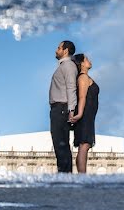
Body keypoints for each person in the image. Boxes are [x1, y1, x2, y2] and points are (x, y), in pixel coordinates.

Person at [48, 40, 77, 173]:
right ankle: (64, 175)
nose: (56, 50)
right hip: (58, 109)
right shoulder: (63, 66)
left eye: (58, 47)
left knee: (61, 145)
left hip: (61, 109)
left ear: (65, 50)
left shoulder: (68, 66)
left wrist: (71, 110)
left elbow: (71, 87)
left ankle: (65, 177)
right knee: (59, 144)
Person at [69, 53, 99, 174]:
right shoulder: (83, 78)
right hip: (85, 115)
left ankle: (81, 175)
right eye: (86, 59)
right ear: (81, 63)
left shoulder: (84, 77)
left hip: (88, 116)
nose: (89, 60)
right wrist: (80, 114)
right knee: (84, 145)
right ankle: (82, 176)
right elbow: (82, 97)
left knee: (84, 146)